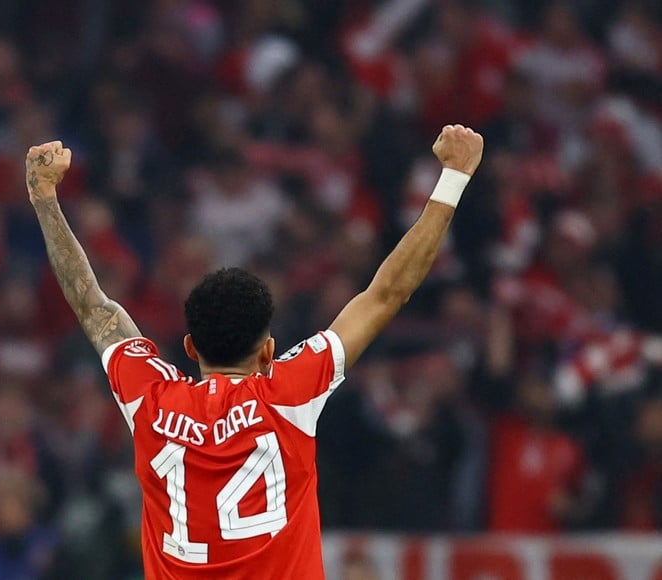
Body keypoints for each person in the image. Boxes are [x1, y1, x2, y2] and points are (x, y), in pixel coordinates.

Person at [25, 124, 483, 578]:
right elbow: (386, 293)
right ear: (268, 351)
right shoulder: (290, 392)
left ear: (189, 347)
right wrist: (453, 177)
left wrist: (45, 200)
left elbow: (93, 307)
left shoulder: (151, 401)